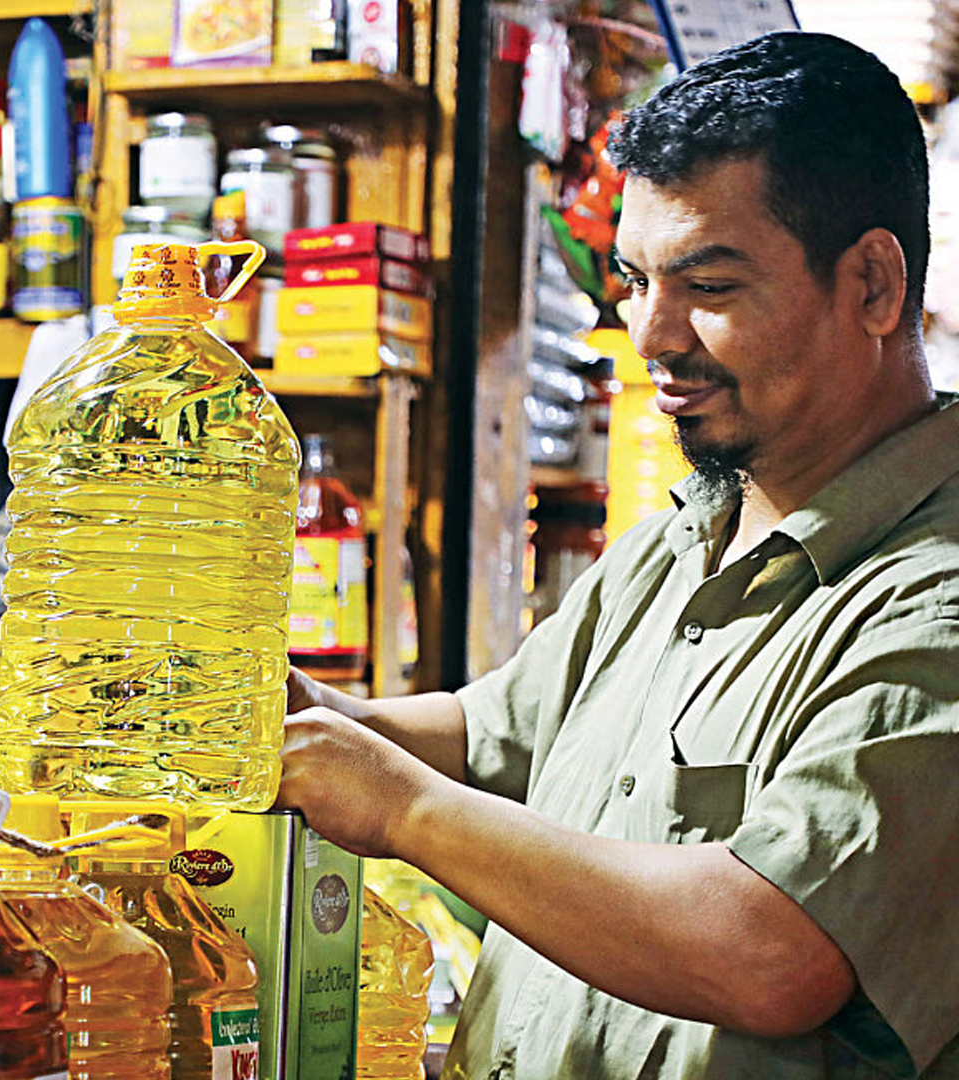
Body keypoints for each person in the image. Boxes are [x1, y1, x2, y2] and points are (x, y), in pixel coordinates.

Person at [275, 32, 959, 1080]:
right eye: (635, 279)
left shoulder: (935, 598)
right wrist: (286, 716)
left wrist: (401, 808)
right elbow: (490, 731)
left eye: (710, 287)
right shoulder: (686, 537)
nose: (650, 333)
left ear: (871, 283)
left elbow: (771, 950)